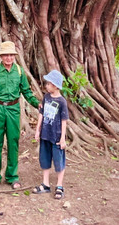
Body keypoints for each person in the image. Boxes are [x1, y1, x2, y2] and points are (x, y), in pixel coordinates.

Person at [0, 40, 40, 190]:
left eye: (11, 55)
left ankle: (12, 176)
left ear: (14, 56)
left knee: (13, 142)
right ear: (1, 56)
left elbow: (27, 92)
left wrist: (37, 104)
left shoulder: (19, 72)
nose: (9, 58)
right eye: (6, 55)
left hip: (14, 109)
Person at [33, 69, 69, 200]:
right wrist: (38, 130)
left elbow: (64, 121)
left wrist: (62, 138)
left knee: (59, 161)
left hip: (56, 136)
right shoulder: (46, 97)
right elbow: (41, 114)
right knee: (45, 159)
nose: (46, 86)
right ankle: (46, 184)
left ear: (55, 85)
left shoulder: (62, 102)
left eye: (48, 84)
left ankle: (59, 185)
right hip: (45, 134)